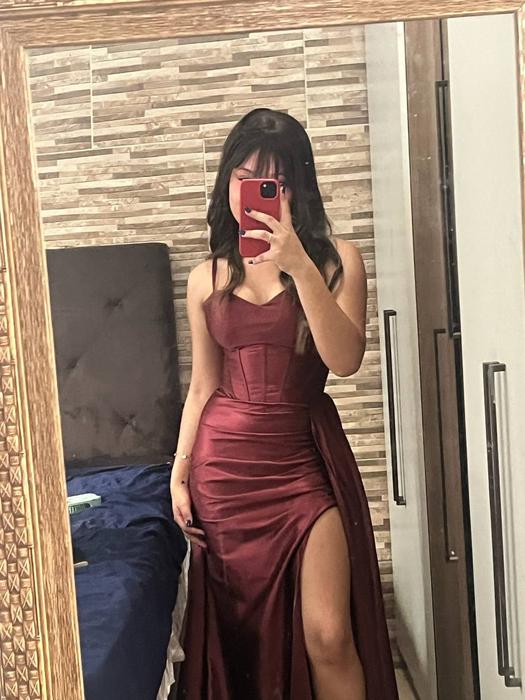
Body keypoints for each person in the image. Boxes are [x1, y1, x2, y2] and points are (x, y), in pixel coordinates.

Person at [171, 108, 399, 699]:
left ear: (297, 187)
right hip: (224, 469)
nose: (255, 193)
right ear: (227, 180)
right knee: (244, 636)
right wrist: (179, 472)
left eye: (273, 182)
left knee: (329, 634)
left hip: (301, 461)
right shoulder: (206, 278)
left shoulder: (338, 260)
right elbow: (203, 385)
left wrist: (298, 265)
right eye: (244, 177)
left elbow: (344, 360)